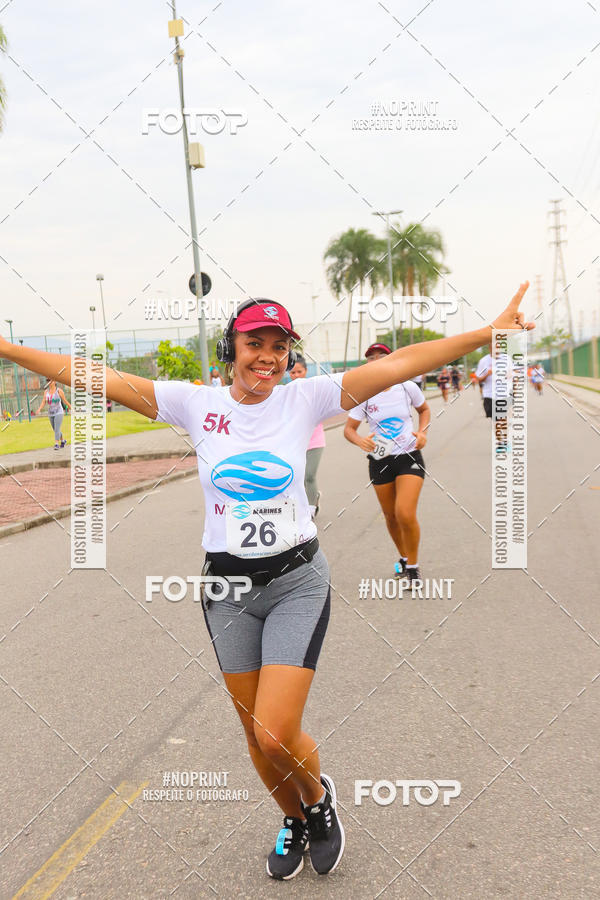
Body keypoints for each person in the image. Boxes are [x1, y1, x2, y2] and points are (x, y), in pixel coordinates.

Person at [0, 284, 533, 881]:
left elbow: (404, 363)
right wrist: (5, 347)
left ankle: (320, 799)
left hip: (295, 581)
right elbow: (90, 375)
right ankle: (295, 818)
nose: (268, 356)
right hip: (226, 590)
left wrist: (489, 333)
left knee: (273, 730)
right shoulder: (192, 403)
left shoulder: (305, 400)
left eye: (279, 346)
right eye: (255, 343)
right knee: (255, 739)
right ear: (233, 348)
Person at [344, 343, 430, 584]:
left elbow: (424, 410)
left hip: (409, 455)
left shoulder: (406, 387)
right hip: (380, 458)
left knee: (404, 512)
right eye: (371, 357)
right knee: (390, 516)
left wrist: (422, 432)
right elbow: (349, 430)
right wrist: (360, 441)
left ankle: (413, 567)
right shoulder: (365, 394)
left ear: (392, 359)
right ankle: (403, 558)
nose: (376, 359)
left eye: (381, 355)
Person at [289, 355, 324, 518]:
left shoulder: (315, 390)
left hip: (315, 441)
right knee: (298, 478)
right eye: (293, 372)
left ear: (306, 371)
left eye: (299, 371)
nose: (296, 375)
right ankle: (307, 501)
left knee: (309, 475)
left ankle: (310, 508)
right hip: (296, 442)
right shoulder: (286, 393)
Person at [475, 344, 514, 451]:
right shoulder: (483, 361)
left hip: (504, 394)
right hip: (489, 394)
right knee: (495, 420)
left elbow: (512, 373)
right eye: (493, 347)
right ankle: (500, 443)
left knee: (503, 418)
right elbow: (478, 378)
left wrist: (508, 375)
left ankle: (505, 441)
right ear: (489, 348)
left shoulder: (507, 359)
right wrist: (487, 374)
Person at [36, 379, 71, 449]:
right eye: (47, 380)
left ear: (54, 382)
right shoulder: (46, 392)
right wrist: (39, 409)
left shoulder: (59, 391)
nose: (49, 382)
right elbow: (43, 402)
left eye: (50, 380)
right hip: (51, 413)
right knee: (55, 429)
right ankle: (63, 441)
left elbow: (65, 400)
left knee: (57, 428)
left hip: (59, 412)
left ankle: (56, 444)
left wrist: (71, 407)